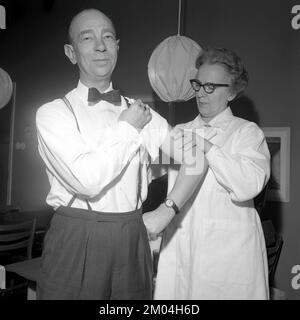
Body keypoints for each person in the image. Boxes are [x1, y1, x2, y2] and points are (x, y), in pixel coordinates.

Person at [35, 8, 206, 300]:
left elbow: (197, 157)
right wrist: (127, 128)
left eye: (108, 37)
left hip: (132, 236)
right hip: (77, 237)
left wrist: (166, 212)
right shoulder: (52, 113)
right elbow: (88, 180)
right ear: (71, 52)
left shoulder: (143, 113)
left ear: (117, 46)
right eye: (87, 38)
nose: (100, 45)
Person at [154, 47, 271, 300]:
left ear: (231, 91)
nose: (200, 93)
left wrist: (208, 146)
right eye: (198, 84)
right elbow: (153, 175)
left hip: (228, 256)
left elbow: (249, 184)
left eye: (211, 87)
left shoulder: (247, 133)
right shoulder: (180, 131)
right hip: (181, 248)